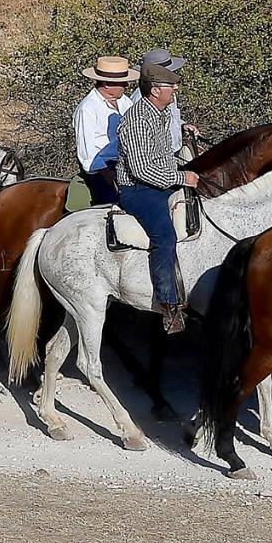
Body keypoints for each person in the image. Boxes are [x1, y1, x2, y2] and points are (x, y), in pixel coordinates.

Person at [113, 59, 198, 334]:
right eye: (170, 85)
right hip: (138, 190)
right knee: (164, 235)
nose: (175, 89)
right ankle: (168, 304)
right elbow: (142, 169)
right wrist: (180, 178)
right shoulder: (137, 120)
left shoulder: (159, 114)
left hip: (158, 182)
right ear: (155, 90)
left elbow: (160, 157)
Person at [71, 55, 137, 208]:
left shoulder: (125, 101)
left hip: (126, 163)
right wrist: (107, 173)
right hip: (103, 169)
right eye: (122, 83)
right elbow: (86, 150)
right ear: (107, 84)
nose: (126, 85)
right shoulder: (87, 108)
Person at [138, 48, 200, 155]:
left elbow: (171, 117)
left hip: (174, 152)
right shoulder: (141, 98)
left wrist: (183, 126)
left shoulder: (168, 93)